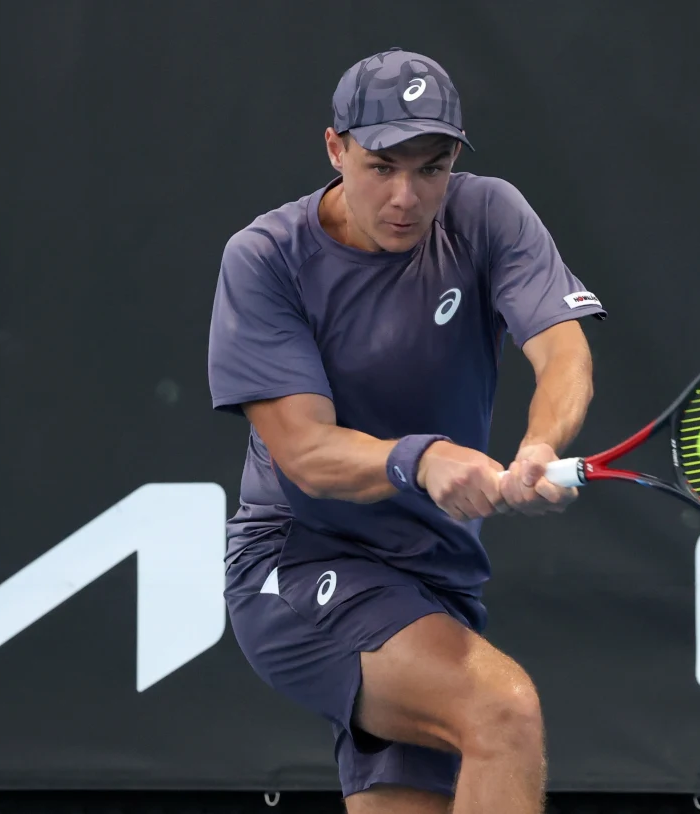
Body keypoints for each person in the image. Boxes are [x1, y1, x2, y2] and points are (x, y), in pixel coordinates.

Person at [207, 47, 606, 814]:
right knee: (504, 710)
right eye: (382, 165)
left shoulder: (489, 215)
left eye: (432, 167)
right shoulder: (265, 259)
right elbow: (306, 452)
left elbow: (563, 350)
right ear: (335, 148)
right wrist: (423, 461)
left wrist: (538, 445)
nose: (407, 195)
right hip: (300, 565)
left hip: (432, 580)